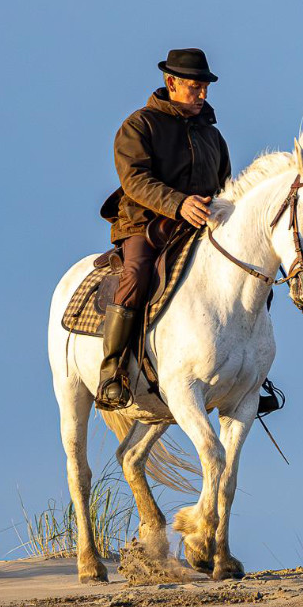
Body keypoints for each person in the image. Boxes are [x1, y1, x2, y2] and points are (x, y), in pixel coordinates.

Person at [94, 47, 231, 410]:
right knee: (137, 275)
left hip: (197, 226)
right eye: (194, 87)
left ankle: (247, 370)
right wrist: (179, 204)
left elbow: (225, 186)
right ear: (170, 82)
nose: (202, 94)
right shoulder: (138, 126)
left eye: (205, 87)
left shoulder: (213, 137)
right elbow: (135, 180)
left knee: (243, 275)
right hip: (144, 224)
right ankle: (113, 370)